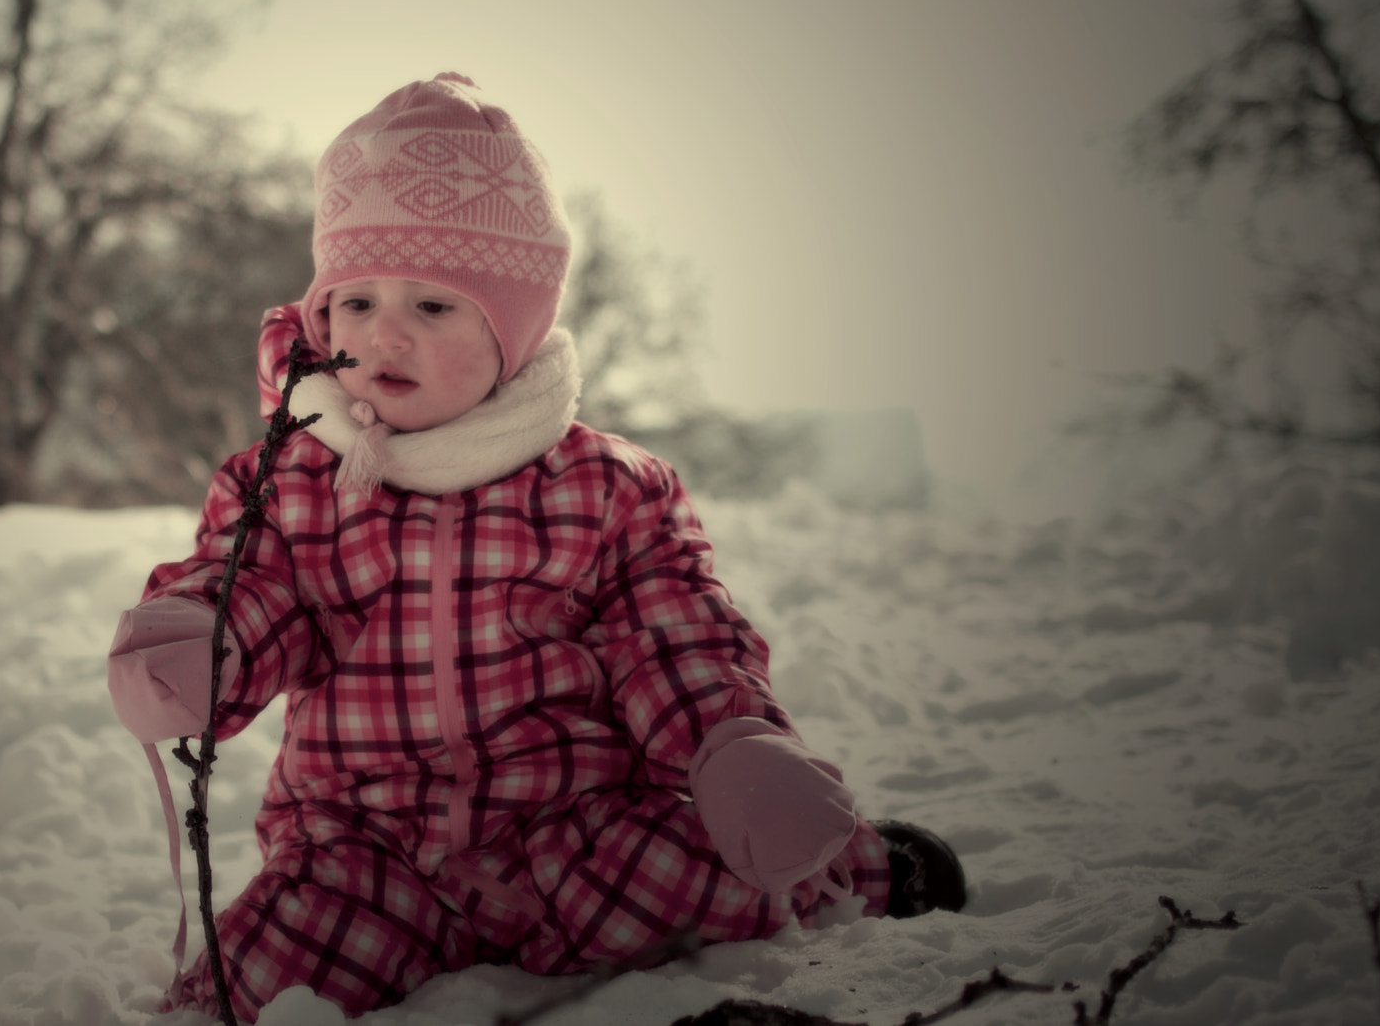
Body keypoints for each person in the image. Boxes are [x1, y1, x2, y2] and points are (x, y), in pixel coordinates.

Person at [107, 74, 964, 1022]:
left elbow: (668, 633)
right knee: (264, 976)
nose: (384, 329)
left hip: (574, 824)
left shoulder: (602, 487)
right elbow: (255, 589)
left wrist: (729, 742)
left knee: (713, 874)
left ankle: (860, 863)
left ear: (510, 330)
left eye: (433, 305)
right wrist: (201, 643)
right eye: (355, 301)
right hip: (364, 843)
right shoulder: (293, 481)